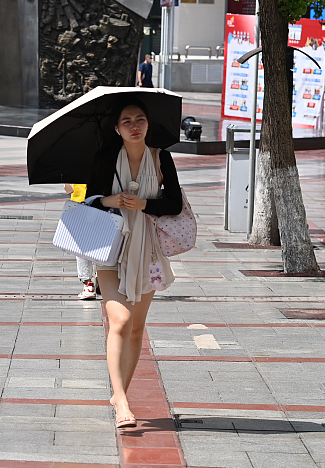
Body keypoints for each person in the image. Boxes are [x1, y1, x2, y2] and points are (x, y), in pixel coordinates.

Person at [86, 99, 183, 428]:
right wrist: (108, 200)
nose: (134, 125)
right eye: (126, 121)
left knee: (137, 327)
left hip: (148, 251)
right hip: (110, 249)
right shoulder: (103, 159)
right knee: (121, 321)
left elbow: (174, 202)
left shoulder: (161, 158)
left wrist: (145, 204)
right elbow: (89, 201)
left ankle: (119, 393)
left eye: (140, 119)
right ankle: (123, 403)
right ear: (117, 128)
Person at [64, 183, 99, 300]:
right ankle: (101, 279)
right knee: (102, 242)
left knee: (81, 244)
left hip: (81, 200)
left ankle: (89, 284)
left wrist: (67, 183)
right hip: (102, 199)